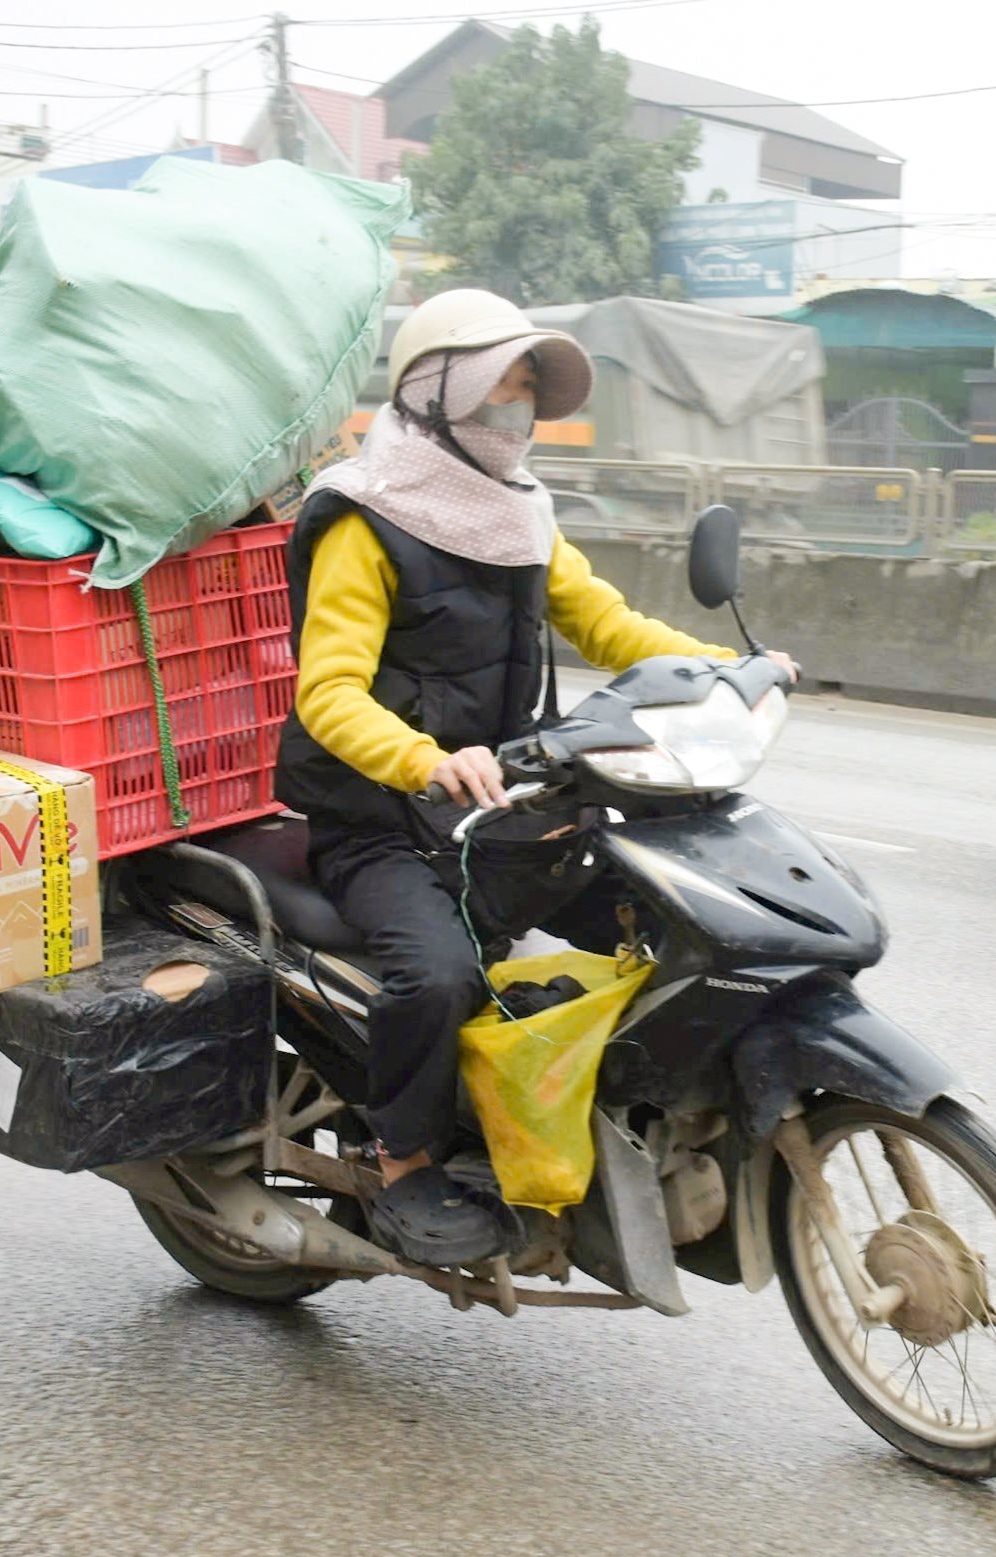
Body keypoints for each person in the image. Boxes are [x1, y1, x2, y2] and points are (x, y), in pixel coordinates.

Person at [274, 288, 794, 1268]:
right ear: (433, 395)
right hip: (382, 821)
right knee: (439, 974)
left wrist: (728, 671)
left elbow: (607, 625)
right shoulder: (364, 520)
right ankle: (405, 1158)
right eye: (496, 386)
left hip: (502, 802)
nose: (516, 407)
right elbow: (328, 693)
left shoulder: (514, 514)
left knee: (669, 912)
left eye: (526, 388)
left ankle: (616, 1114)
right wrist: (424, 758)